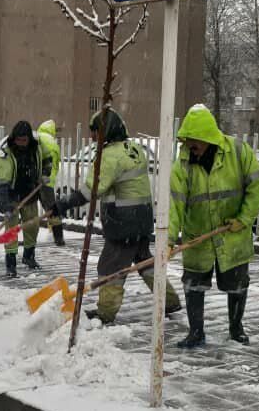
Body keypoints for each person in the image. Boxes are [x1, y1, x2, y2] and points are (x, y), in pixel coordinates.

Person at [49, 108, 181, 324]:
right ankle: (169, 300)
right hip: (142, 219)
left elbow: (92, 190)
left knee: (110, 266)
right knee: (145, 262)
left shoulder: (109, 155)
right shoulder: (135, 149)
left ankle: (106, 313)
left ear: (106, 131)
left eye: (95, 133)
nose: (92, 138)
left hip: (123, 222)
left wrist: (62, 205)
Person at [168, 104, 259, 348]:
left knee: (237, 285)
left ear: (208, 138)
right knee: (193, 284)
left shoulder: (237, 151)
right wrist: (169, 239)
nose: (191, 147)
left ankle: (236, 329)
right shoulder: (182, 163)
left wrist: (243, 219)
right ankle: (196, 332)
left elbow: (258, 185)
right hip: (197, 236)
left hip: (233, 234)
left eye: (195, 142)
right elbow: (175, 204)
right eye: (187, 142)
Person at [0, 120, 54, 277]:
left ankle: (29, 256)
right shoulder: (7, 152)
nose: (21, 143)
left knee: (32, 226)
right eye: (18, 140)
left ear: (29, 138)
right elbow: (2, 179)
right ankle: (11, 262)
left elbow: (48, 159)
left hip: (30, 193)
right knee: (11, 230)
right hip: (12, 196)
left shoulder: (37, 147)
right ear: (14, 138)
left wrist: (45, 174)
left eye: (24, 140)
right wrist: (4, 205)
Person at [37, 119, 66, 246]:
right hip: (48, 181)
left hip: (36, 179)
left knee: (29, 208)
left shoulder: (38, 138)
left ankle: (29, 239)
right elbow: (55, 164)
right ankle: (58, 236)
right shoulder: (53, 143)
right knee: (52, 210)